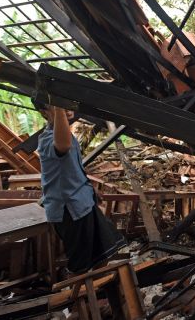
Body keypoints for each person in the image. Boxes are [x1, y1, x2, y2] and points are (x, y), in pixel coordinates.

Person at [33, 99, 126, 275]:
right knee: (81, 265)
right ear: (45, 112)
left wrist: (89, 188)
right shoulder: (47, 140)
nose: (66, 108)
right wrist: (57, 106)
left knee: (103, 253)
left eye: (66, 103)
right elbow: (63, 146)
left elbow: (71, 169)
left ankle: (98, 292)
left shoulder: (67, 135)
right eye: (58, 106)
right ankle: (77, 296)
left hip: (83, 202)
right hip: (70, 210)